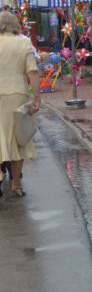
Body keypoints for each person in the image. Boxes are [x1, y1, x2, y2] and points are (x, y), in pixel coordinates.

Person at [0, 11, 41, 198]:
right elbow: (32, 72)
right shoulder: (24, 43)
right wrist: (37, 98)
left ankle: (0, 174)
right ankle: (16, 184)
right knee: (19, 140)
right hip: (17, 95)